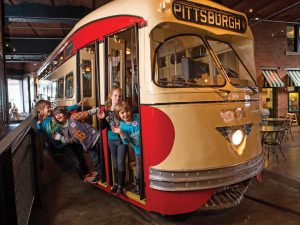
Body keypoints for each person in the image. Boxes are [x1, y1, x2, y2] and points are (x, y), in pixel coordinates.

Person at [35, 99, 89, 181]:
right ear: (40, 110)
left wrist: (77, 105)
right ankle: (83, 176)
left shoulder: (53, 114)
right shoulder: (40, 123)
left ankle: (87, 172)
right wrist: (39, 122)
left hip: (69, 137)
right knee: (76, 160)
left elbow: (65, 110)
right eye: (47, 107)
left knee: (80, 155)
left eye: (50, 107)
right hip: (62, 144)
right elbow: (40, 132)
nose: (50, 109)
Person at [52, 106, 102, 183]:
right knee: (96, 159)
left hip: (95, 135)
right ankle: (101, 174)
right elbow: (70, 140)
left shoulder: (73, 117)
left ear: (65, 113)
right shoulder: (63, 129)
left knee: (106, 151)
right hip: (88, 144)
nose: (58, 115)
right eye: (56, 115)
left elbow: (86, 113)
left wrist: (98, 109)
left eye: (59, 113)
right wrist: (60, 138)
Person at [98, 87, 128, 194]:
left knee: (120, 163)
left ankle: (121, 185)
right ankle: (116, 184)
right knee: (115, 163)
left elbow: (128, 121)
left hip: (122, 140)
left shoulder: (123, 109)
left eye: (120, 96)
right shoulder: (106, 112)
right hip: (111, 140)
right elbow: (102, 128)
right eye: (115, 95)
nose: (118, 98)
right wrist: (101, 119)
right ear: (110, 97)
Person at [113, 101, 141, 195]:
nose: (125, 114)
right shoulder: (122, 127)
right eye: (122, 113)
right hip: (138, 149)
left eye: (127, 111)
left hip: (147, 146)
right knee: (139, 167)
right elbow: (127, 142)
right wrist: (120, 132)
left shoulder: (136, 117)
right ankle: (138, 184)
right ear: (119, 115)